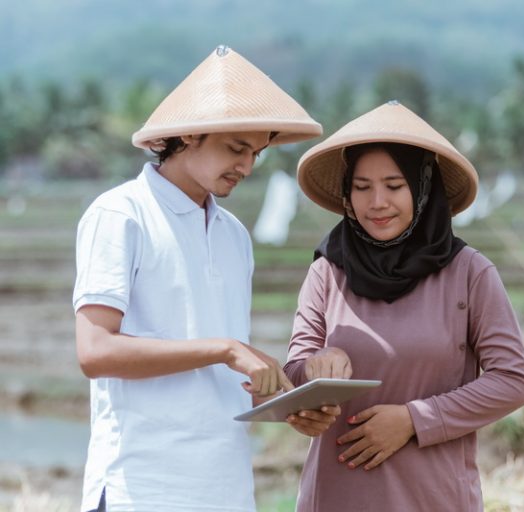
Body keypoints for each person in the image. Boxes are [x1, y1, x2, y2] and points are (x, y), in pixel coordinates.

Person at [73, 45, 341, 512]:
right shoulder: (121, 214)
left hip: (226, 488)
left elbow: (219, 380)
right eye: (236, 148)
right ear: (189, 135)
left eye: (254, 153)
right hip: (141, 489)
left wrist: (286, 403)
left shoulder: (234, 234)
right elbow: (96, 352)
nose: (246, 166)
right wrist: (225, 348)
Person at [283, 100, 524, 511]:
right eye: (361, 187)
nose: (376, 202)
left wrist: (415, 420)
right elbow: (295, 372)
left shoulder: (469, 274)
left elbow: (513, 380)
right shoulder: (328, 272)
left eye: (394, 186)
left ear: (422, 190)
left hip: (432, 497)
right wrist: (314, 369)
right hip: (334, 496)